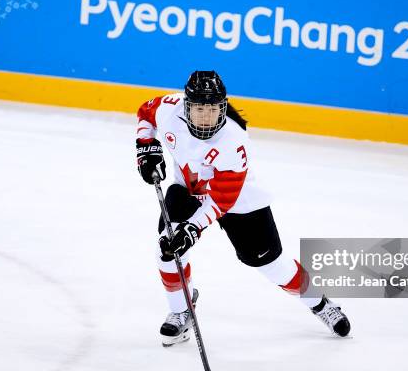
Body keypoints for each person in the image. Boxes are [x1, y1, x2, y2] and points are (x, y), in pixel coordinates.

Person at [135, 70, 350, 346]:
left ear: (222, 108)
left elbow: (223, 199)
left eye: (212, 109)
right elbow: (145, 113)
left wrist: (192, 229)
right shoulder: (168, 110)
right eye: (199, 108)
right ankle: (181, 310)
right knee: (167, 250)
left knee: (275, 267)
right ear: (186, 106)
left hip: (240, 201)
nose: (205, 116)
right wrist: (145, 148)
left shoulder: (233, 141)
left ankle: (318, 301)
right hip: (187, 190)